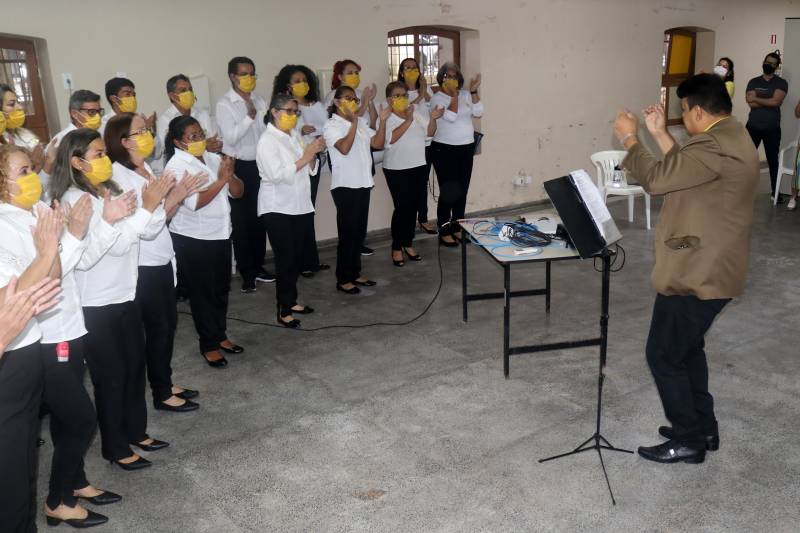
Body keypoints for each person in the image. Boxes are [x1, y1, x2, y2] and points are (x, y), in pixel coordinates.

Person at [613, 73, 759, 464]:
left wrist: (630, 137)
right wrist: (660, 134)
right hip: (712, 263)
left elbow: (660, 179)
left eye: (682, 113)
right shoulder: (731, 135)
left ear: (696, 110)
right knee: (688, 348)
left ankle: (689, 439)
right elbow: (687, 166)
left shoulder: (714, 143)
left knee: (662, 354)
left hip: (699, 270)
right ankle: (702, 427)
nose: (682, 119)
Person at [0, 143, 122, 527]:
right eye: (22, 172)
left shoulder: (34, 210)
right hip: (43, 337)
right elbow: (33, 284)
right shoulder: (6, 225)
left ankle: (73, 482)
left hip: (61, 326)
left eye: (31, 169)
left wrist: (72, 235)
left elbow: (59, 269)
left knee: (67, 421)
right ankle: (58, 497)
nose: (33, 178)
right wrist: (61, 241)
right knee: (80, 418)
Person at [50, 128, 172, 471]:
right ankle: (115, 447)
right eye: (98, 155)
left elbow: (141, 232)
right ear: (76, 162)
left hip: (124, 293)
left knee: (135, 367)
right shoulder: (76, 200)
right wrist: (120, 218)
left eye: (105, 152)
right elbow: (89, 256)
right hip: (97, 302)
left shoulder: (110, 189)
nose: (106, 160)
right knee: (111, 376)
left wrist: (151, 205)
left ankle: (137, 430)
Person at [105, 112, 205, 412]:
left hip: (162, 257)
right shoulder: (118, 177)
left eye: (148, 129)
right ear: (124, 141)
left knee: (167, 325)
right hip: (144, 265)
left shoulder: (145, 168)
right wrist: (174, 197)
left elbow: (162, 219)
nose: (148, 134)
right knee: (159, 328)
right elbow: (146, 229)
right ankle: (162, 393)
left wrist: (176, 197)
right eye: (140, 131)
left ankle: (165, 381)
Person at [164, 115, 245, 367]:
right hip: (193, 238)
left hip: (220, 233)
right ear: (178, 142)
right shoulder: (176, 167)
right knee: (202, 294)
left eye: (200, 134)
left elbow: (239, 192)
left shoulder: (212, 158)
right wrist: (221, 179)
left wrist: (229, 176)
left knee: (221, 288)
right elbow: (195, 203)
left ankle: (220, 336)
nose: (200, 139)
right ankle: (208, 344)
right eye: (193, 136)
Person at [256, 93, 325, 327]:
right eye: (288, 111)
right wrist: (306, 156)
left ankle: (292, 300)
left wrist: (313, 156)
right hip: (278, 208)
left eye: (296, 112)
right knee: (285, 259)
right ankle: (283, 309)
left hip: (300, 205)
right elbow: (277, 175)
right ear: (274, 112)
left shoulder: (294, 135)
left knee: (296, 258)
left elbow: (308, 168)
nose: (293, 116)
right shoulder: (267, 140)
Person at [216, 56, 274, 293]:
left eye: (252, 73)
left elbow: (265, 132)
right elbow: (230, 138)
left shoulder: (259, 99)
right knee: (241, 222)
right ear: (232, 76)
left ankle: (259, 266)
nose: (249, 78)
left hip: (259, 166)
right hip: (237, 166)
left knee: (260, 218)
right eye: (244, 74)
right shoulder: (225, 104)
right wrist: (250, 117)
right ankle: (247, 272)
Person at [323, 85, 389, 294]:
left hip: (363, 183)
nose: (353, 102)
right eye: (347, 98)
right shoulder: (332, 126)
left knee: (359, 233)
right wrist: (352, 123)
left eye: (355, 99)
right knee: (348, 234)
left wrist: (383, 123)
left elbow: (377, 144)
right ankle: (343, 278)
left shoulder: (359, 123)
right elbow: (344, 148)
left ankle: (355, 272)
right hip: (345, 186)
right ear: (336, 102)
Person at [272, 64, 331, 277]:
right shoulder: (283, 107)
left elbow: (326, 127)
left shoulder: (315, 104)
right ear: (287, 85)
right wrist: (301, 129)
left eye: (304, 80)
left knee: (308, 212)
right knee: (298, 216)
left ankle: (310, 260)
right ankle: (300, 262)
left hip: (313, 161)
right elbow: (284, 132)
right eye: (296, 81)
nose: (302, 84)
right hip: (295, 164)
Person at [382, 81, 443, 266]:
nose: (402, 99)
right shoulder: (386, 117)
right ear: (389, 99)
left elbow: (430, 133)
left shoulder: (415, 112)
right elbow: (389, 139)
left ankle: (408, 243)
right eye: (397, 95)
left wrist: (433, 118)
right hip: (396, 168)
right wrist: (407, 120)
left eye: (404, 95)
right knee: (402, 208)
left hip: (418, 165)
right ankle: (396, 247)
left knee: (414, 207)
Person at [429, 62, 483, 246]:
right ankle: (444, 229)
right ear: (441, 79)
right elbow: (450, 117)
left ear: (459, 79)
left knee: (462, 189)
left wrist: (474, 91)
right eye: (447, 76)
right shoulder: (437, 98)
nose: (451, 79)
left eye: (454, 76)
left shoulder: (467, 94)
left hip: (466, 148)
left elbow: (479, 112)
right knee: (449, 191)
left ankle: (458, 226)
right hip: (444, 149)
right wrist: (453, 97)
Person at [396, 58, 437, 235]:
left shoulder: (425, 89)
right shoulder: (399, 90)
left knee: (422, 183)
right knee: (409, 187)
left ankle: (423, 219)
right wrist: (420, 93)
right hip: (407, 145)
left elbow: (433, 106)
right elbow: (407, 109)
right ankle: (408, 221)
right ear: (402, 71)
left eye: (414, 68)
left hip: (426, 143)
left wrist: (424, 90)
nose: (411, 71)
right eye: (408, 68)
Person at [155, 74, 222, 172]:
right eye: (183, 90)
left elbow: (212, 140)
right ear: (172, 96)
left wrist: (216, 144)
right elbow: (168, 150)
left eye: (190, 89)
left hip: (207, 163)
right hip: (183, 169)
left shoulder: (202, 114)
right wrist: (204, 147)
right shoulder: (165, 120)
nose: (189, 93)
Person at [745, 52, 787, 203]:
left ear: (776, 66)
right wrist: (766, 100)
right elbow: (749, 103)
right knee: (745, 159)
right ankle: (742, 190)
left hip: (772, 128)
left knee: (772, 161)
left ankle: (775, 193)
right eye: (767, 62)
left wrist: (756, 98)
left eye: (772, 63)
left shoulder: (781, 83)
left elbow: (776, 102)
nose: (769, 65)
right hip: (752, 127)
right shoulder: (753, 81)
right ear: (763, 62)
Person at [0, 84, 46, 173]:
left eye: (18, 103)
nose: (20, 108)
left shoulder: (22, 132)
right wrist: (34, 165)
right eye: (11, 104)